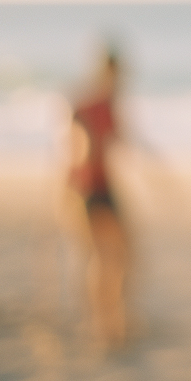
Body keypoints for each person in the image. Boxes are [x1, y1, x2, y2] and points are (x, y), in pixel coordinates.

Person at [65, 44, 132, 349]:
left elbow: (121, 142)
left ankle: (113, 319)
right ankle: (101, 324)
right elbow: (74, 152)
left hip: (104, 187)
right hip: (88, 189)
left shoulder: (108, 104)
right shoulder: (86, 104)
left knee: (121, 256)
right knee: (102, 257)